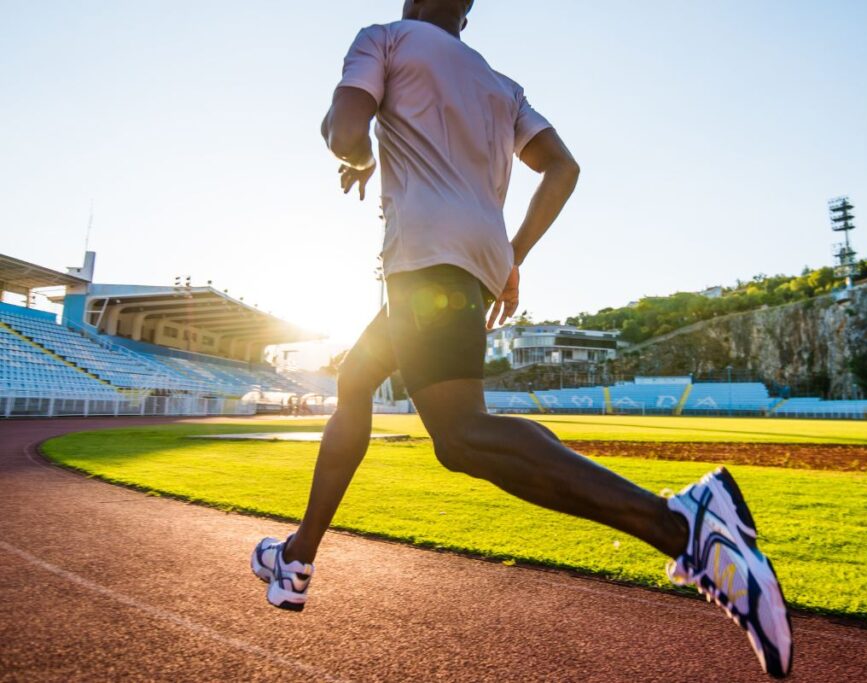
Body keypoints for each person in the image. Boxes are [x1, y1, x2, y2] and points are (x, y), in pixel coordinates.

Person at [251, 1, 792, 677]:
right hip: (470, 264)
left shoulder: (383, 39)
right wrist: (514, 256)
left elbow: (343, 131)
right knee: (356, 378)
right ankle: (298, 557)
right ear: (466, 13)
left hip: (425, 260)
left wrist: (359, 154)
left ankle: (685, 526)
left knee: (460, 436)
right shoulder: (501, 86)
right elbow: (562, 167)